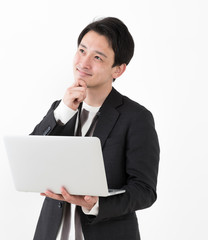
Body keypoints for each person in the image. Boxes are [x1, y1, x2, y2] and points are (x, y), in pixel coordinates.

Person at [30, 17, 160, 240]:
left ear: (118, 70)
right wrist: (63, 112)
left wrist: (96, 204)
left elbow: (144, 191)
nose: (84, 62)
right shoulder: (61, 109)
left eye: (97, 57)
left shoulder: (137, 118)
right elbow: (31, 159)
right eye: (82, 50)